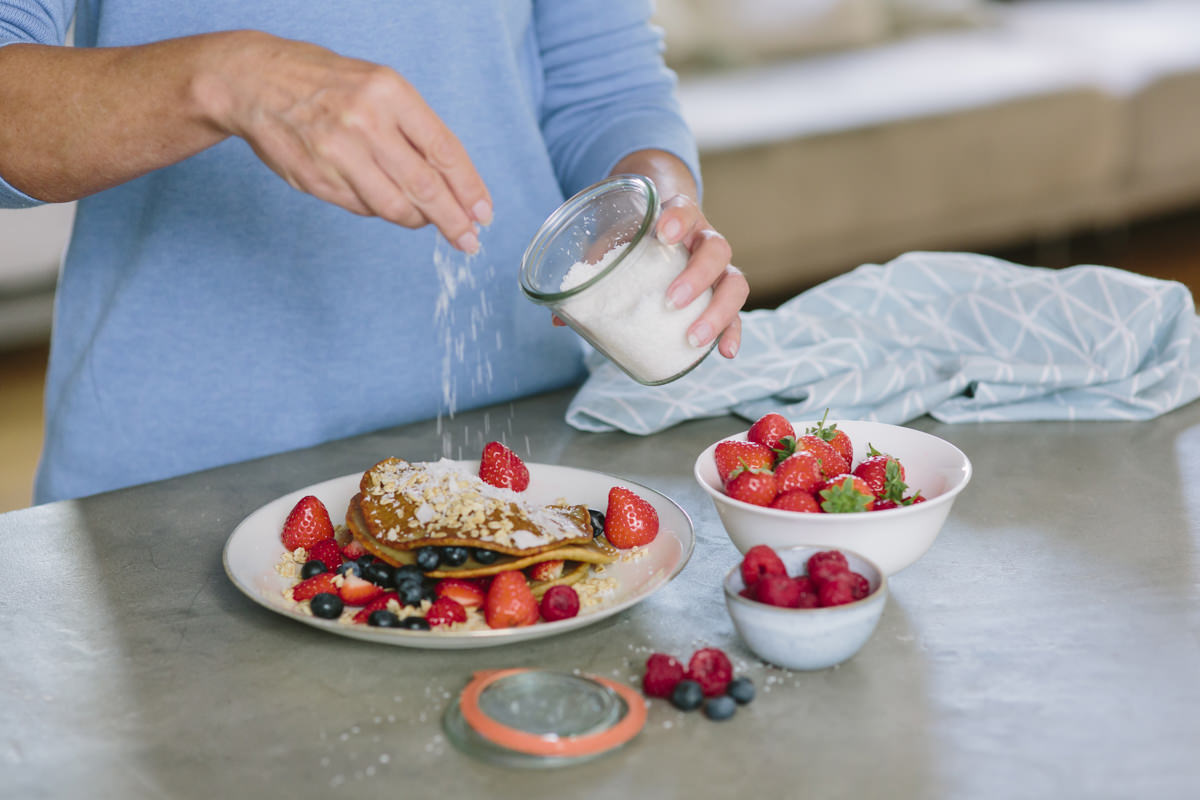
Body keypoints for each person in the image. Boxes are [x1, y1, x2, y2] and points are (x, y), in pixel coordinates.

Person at [0, 2, 749, 504]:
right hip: (176, 489)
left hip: (524, 450)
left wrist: (655, 204)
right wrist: (225, 78)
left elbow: (604, 86)